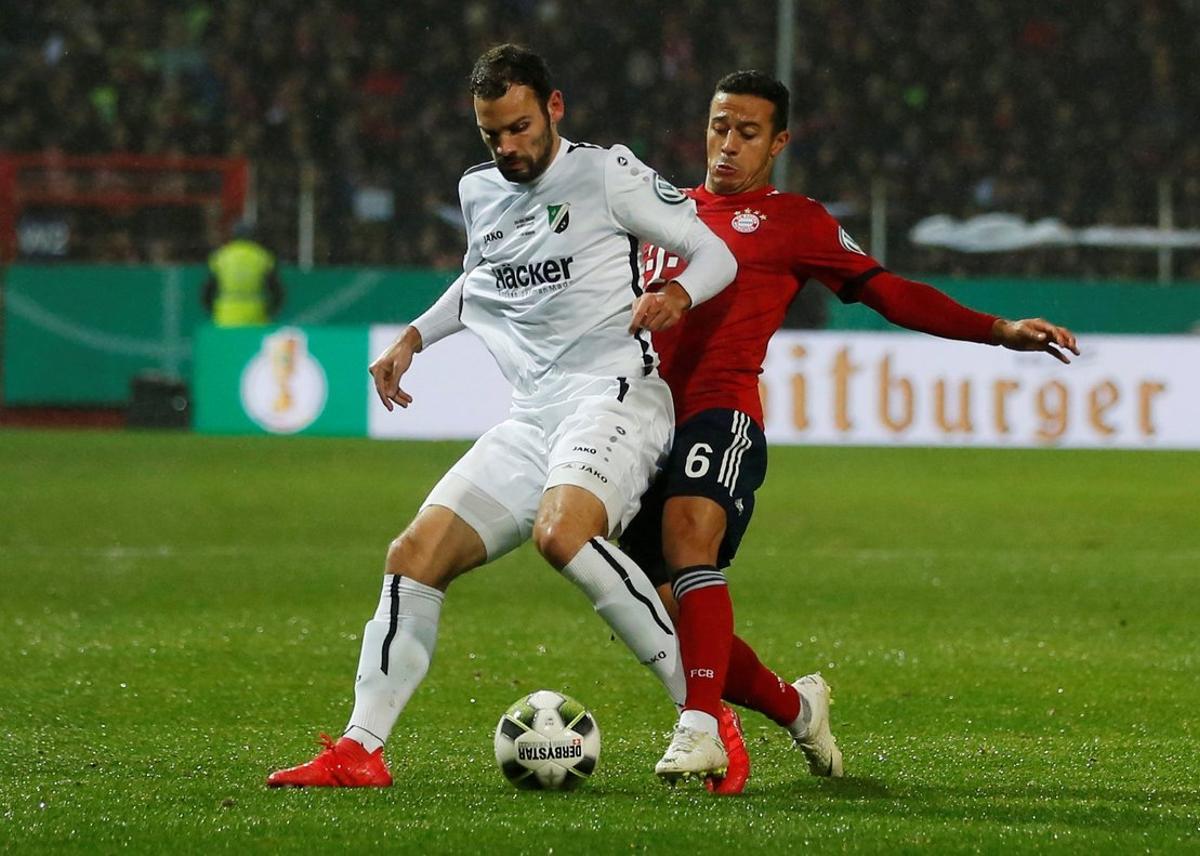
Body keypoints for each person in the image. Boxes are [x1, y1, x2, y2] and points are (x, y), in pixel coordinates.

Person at [267, 44, 737, 788]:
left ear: (554, 108)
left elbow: (714, 254)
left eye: (519, 128)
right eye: (493, 135)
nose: (508, 148)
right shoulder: (479, 190)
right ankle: (360, 750)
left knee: (562, 533)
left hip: (615, 392)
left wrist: (678, 296)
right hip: (533, 415)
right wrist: (413, 338)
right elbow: (479, 281)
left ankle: (707, 720)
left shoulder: (605, 172)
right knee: (412, 557)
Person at [620, 70, 1080, 790]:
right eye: (719, 127)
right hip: (641, 425)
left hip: (723, 411)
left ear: (778, 143)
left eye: (747, 133)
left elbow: (889, 291)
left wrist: (999, 331)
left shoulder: (795, 219)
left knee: (689, 543)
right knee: (668, 615)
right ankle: (798, 709)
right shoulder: (657, 209)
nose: (727, 146)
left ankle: (701, 726)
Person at [201, 223, 284, 327]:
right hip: (256, 316)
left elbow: (208, 289)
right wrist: (271, 312)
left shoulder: (221, 256)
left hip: (225, 317)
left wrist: (212, 310)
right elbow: (276, 290)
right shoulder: (262, 256)